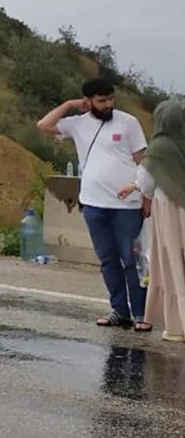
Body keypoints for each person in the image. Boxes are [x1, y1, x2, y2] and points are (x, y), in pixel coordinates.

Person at [38, 78, 149, 330]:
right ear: (88, 101)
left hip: (127, 206)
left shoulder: (129, 123)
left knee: (132, 260)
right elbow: (44, 125)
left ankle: (141, 313)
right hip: (93, 204)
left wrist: (145, 194)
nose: (108, 104)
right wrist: (68, 104)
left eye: (111, 99)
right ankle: (119, 311)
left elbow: (143, 162)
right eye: (102, 101)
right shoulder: (77, 124)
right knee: (108, 259)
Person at [118, 98, 185, 342]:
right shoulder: (182, 143)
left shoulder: (159, 147)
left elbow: (146, 180)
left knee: (171, 262)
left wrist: (133, 187)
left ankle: (177, 326)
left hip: (169, 207)